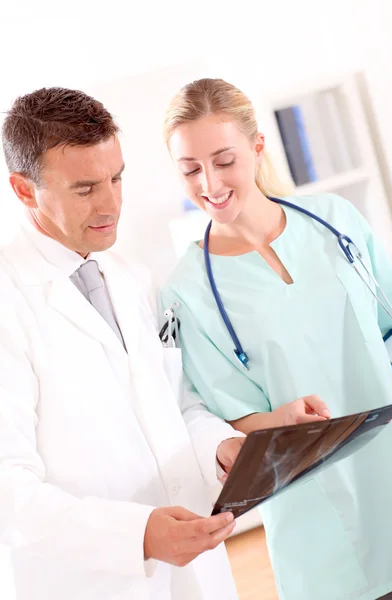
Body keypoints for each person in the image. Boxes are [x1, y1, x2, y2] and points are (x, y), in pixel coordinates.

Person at [0, 86, 246, 600]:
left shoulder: (132, 276)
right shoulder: (10, 303)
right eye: (86, 188)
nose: (112, 203)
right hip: (90, 585)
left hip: (197, 574)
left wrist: (219, 447)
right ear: (24, 190)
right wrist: (136, 535)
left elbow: (177, 403)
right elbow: (10, 491)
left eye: (117, 178)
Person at [161, 78, 392, 600]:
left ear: (258, 147)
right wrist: (279, 419)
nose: (210, 182)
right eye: (190, 169)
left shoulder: (336, 221)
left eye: (224, 160)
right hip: (318, 520)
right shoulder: (187, 292)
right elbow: (227, 417)